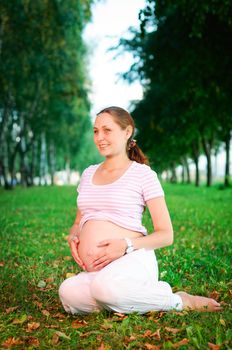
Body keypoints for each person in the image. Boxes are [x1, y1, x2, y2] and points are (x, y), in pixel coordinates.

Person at [59, 106, 221, 314]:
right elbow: (78, 221)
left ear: (127, 132)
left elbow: (166, 235)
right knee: (68, 292)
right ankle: (120, 299)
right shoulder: (88, 174)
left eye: (107, 130)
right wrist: (73, 236)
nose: (100, 137)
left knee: (104, 289)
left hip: (133, 260)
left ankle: (179, 300)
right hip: (99, 270)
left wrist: (125, 246)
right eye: (96, 131)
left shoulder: (143, 175)